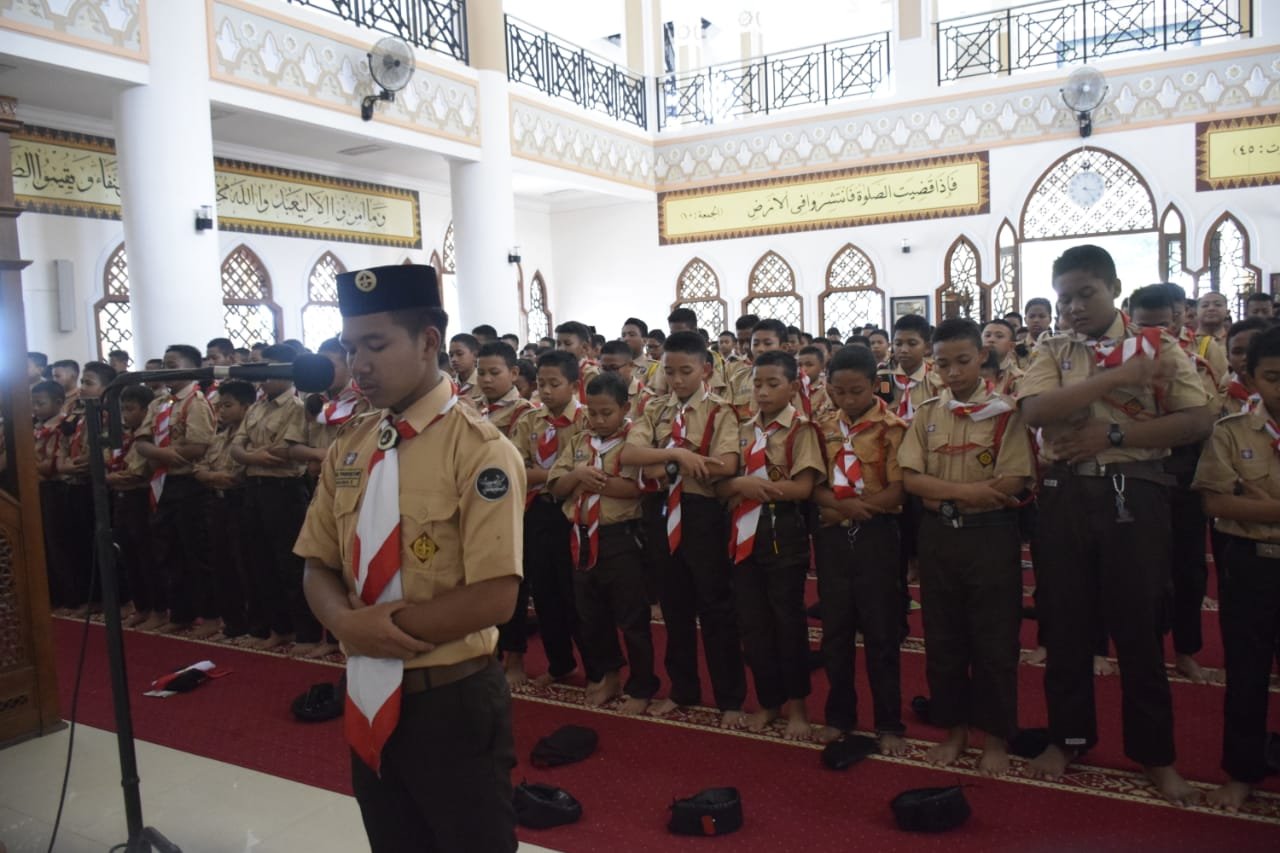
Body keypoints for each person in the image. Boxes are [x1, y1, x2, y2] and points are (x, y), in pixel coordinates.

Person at [295, 263, 523, 853]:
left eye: (376, 345)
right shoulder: (351, 445)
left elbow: (495, 596)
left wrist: (377, 632)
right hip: (365, 687)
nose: (359, 364)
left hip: (449, 700)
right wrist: (344, 624)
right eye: (351, 348)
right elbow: (317, 563)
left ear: (427, 341)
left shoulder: (480, 450)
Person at [1017, 245, 1212, 804]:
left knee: (1139, 627)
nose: (1074, 308)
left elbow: (1197, 419)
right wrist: (1119, 378)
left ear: (1114, 289)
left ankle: (1155, 755)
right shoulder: (1054, 348)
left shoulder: (1157, 346)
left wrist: (1115, 434)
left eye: (1086, 294)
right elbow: (1035, 411)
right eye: (1065, 299)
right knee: (1066, 623)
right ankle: (1069, 738)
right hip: (1065, 494)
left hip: (1135, 492)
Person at [899, 318, 1034, 776]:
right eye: (943, 364)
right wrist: (968, 492)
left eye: (962, 361)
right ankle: (953, 730)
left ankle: (995, 736)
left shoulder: (1005, 413)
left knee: (995, 640)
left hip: (990, 535)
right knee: (943, 638)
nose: (953, 372)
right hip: (940, 534)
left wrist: (956, 494)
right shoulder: (927, 414)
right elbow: (911, 478)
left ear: (982, 356)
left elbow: (1014, 479)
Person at [620, 330, 746, 726]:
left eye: (685, 371)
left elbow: (726, 464)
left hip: (702, 513)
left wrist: (663, 464)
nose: (676, 380)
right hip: (660, 511)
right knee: (674, 607)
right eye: (669, 372)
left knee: (715, 607)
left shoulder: (720, 411)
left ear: (705, 369)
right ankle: (683, 688)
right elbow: (630, 454)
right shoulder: (655, 409)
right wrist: (678, 455)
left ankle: (729, 697)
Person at [1192, 325, 1280, 813]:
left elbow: (1236, 500)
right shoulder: (1231, 431)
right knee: (1246, 672)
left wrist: (1255, 503)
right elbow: (1215, 502)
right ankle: (1242, 772)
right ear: (1251, 377)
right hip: (1251, 564)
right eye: (1273, 377)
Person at [720, 351, 824, 739]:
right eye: (757, 384)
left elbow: (804, 487)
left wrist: (754, 488)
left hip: (783, 532)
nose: (762, 392)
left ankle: (797, 705)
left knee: (788, 622)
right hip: (743, 534)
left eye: (772, 384)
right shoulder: (742, 428)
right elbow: (723, 481)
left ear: (793, 387)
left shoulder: (802, 430)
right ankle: (768, 700)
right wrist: (737, 484)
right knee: (753, 624)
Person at [812, 345, 908, 753]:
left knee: (881, 633)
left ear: (874, 385)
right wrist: (841, 508)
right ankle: (839, 716)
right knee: (835, 632)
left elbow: (899, 490)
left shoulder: (893, 429)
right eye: (839, 392)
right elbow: (814, 485)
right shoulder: (821, 428)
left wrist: (856, 510)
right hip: (833, 538)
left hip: (877, 536)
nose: (847, 400)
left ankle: (889, 722)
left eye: (856, 391)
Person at [548, 371, 658, 715]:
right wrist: (576, 476)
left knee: (631, 617)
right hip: (581, 538)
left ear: (625, 408)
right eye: (592, 412)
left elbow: (633, 488)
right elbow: (557, 486)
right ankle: (609, 674)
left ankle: (641, 685)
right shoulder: (580, 441)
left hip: (619, 539)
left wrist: (587, 481)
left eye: (606, 413)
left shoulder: (633, 442)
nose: (597, 420)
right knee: (591, 614)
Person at [1130, 285, 1222, 685]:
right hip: (1136, 471)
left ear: (1181, 319)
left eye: (1164, 326)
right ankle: (1145, 648)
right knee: (1140, 569)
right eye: (1144, 327)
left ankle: (1186, 650)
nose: (1156, 336)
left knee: (1187, 567)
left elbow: (1205, 419)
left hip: (1184, 472)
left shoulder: (1196, 364)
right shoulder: (1116, 367)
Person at [506, 350, 587, 687]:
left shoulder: (586, 420)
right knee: (544, 591)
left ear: (574, 385)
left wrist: (548, 475)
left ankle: (597, 667)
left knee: (576, 594)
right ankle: (559, 663)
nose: (547, 391)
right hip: (537, 510)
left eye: (555, 383)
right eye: (542, 384)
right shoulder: (530, 421)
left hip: (575, 511)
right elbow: (516, 470)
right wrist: (560, 474)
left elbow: (587, 469)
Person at [231, 343, 318, 653]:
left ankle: (306, 633)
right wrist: (251, 456)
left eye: (268, 371)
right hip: (255, 489)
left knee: (291, 565)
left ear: (286, 372)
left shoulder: (296, 406)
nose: (262, 378)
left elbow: (283, 452)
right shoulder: (256, 407)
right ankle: (279, 628)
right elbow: (236, 447)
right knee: (260, 562)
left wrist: (249, 455)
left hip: (284, 491)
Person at [193, 380, 255, 640]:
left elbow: (236, 476)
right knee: (221, 565)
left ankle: (254, 624)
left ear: (246, 407)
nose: (221, 411)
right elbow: (199, 468)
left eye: (228, 405)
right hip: (216, 503)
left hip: (240, 503)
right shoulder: (218, 437)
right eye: (219, 406)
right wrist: (212, 476)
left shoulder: (250, 437)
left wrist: (212, 476)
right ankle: (232, 623)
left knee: (245, 565)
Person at [109, 383, 159, 629]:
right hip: (121, 498)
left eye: (130, 409)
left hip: (140, 498)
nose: (125, 414)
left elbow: (140, 472)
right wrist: (112, 476)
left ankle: (158, 608)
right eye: (123, 409)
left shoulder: (149, 437)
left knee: (146, 555)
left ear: (146, 410)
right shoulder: (124, 436)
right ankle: (141, 606)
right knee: (128, 554)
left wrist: (113, 478)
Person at [298, 337, 372, 481]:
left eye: (329, 367)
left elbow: (367, 448)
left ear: (350, 367)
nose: (322, 372)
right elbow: (293, 448)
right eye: (319, 367)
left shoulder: (364, 401)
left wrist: (329, 458)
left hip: (351, 478)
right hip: (315, 480)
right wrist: (316, 454)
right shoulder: (312, 400)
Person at [879, 315, 942, 423]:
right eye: (898, 344)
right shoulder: (883, 377)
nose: (903, 350)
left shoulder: (937, 382)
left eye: (912, 344)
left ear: (927, 347)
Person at [475, 341, 534, 437]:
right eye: (481, 373)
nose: (486, 379)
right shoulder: (472, 405)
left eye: (494, 372)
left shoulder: (525, 411)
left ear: (514, 373)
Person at [1223, 318, 1268, 416]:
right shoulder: (1221, 400)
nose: (1246, 357)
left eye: (1254, 349)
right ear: (1228, 359)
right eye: (1237, 352)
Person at [556, 320, 601, 402]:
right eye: (558, 344)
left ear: (584, 347)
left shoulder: (591, 373)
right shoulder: (557, 370)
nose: (561, 349)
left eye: (567, 344)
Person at [449, 333, 484, 408]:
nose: (453, 359)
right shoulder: (449, 385)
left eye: (459, 354)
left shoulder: (484, 384)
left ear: (475, 355)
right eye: (451, 355)